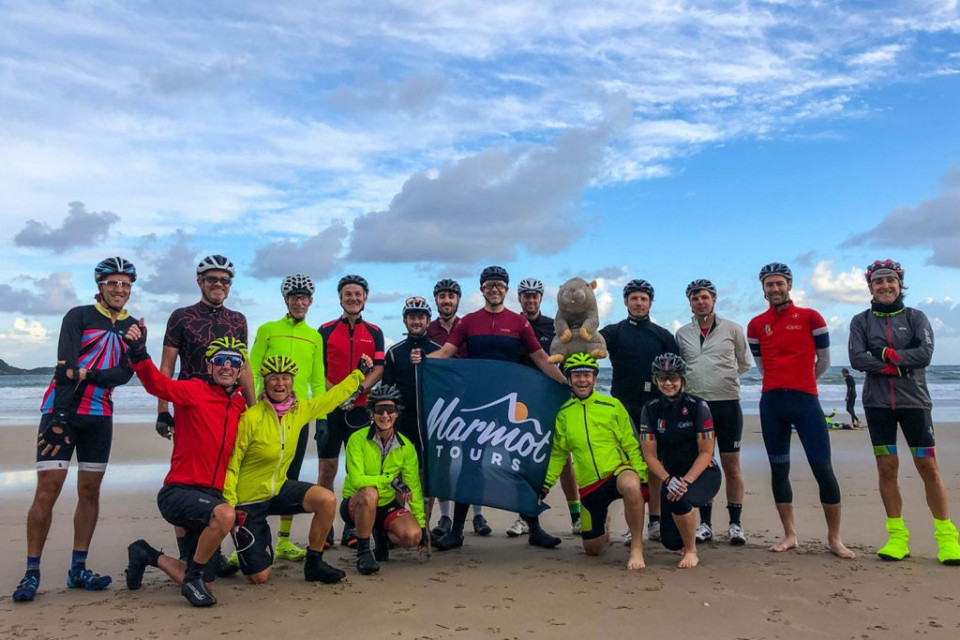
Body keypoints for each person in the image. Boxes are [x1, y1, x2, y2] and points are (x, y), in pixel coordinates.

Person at [12, 257, 139, 603]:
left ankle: (77, 569)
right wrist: (61, 413)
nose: (120, 290)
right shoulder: (79, 316)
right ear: (100, 286)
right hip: (61, 410)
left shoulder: (134, 327)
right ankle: (31, 572)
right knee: (48, 490)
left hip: (100, 415)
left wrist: (88, 374)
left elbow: (125, 375)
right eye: (113, 283)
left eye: (126, 284)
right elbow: (65, 367)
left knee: (90, 491)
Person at [421, 265, 566, 551]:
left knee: (519, 465)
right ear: (482, 289)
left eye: (499, 285)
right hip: (475, 406)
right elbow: (447, 353)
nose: (494, 289)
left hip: (510, 406)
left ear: (506, 289)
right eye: (489, 285)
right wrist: (422, 362)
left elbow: (539, 357)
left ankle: (535, 528)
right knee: (469, 465)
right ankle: (456, 533)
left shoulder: (518, 323)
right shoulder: (469, 322)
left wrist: (564, 384)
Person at [216, 354, 370, 584]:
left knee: (326, 499)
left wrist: (357, 375)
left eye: (285, 378)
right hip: (248, 500)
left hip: (278, 488)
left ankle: (314, 563)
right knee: (259, 577)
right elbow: (232, 463)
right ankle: (259, 542)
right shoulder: (251, 418)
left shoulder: (299, 411)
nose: (280, 383)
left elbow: (331, 398)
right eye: (274, 378)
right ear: (265, 382)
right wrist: (230, 502)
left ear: (292, 382)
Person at [122, 334, 248, 607]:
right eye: (220, 361)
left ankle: (145, 554)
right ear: (210, 366)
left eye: (234, 362)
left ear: (240, 369)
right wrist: (139, 353)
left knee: (209, 581)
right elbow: (157, 384)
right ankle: (192, 579)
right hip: (179, 492)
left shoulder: (239, 405)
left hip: (210, 497)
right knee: (225, 514)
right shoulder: (193, 390)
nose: (227, 366)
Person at [848, 259, 960, 565]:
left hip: (915, 403)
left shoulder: (916, 317)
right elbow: (857, 358)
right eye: (878, 282)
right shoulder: (860, 321)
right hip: (877, 405)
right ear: (870, 286)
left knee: (928, 468)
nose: (885, 286)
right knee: (887, 469)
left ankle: (947, 538)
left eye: (890, 281)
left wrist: (886, 354)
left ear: (900, 284)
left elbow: (924, 354)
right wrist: (897, 365)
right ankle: (897, 537)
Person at [747, 262, 854, 559]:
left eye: (780, 283)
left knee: (823, 468)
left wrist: (803, 382)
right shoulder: (756, 325)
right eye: (769, 284)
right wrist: (781, 383)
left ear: (790, 285)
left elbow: (824, 361)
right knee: (779, 470)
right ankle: (790, 535)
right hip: (772, 404)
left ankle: (834, 538)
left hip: (806, 402)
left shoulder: (811, 317)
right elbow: (761, 366)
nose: (775, 288)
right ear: (763, 289)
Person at [158, 254, 253, 575]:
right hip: (190, 407)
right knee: (188, 477)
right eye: (212, 279)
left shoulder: (238, 320)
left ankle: (211, 551)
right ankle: (189, 553)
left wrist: (253, 410)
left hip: (227, 407)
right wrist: (163, 411)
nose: (218, 285)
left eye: (225, 280)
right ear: (200, 282)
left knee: (220, 475)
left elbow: (245, 367)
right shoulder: (182, 317)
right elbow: (168, 366)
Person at [542, 353, 649, 570]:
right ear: (569, 379)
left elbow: (631, 444)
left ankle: (636, 547)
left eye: (587, 375)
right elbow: (558, 454)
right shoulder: (564, 414)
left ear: (595, 378)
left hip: (617, 471)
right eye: (577, 375)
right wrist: (545, 484)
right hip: (590, 485)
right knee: (593, 549)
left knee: (630, 485)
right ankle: (604, 524)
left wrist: (643, 478)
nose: (582, 380)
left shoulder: (612, 405)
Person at [245, 274, 325, 561]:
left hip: (296, 418)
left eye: (304, 298)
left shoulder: (314, 336)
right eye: (294, 297)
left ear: (311, 301)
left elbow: (318, 381)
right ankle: (251, 538)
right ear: (286, 300)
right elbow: (252, 370)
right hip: (264, 415)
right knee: (256, 477)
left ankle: (283, 542)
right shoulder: (268, 329)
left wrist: (323, 419)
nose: (299, 302)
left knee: (289, 477)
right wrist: (251, 407)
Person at [600, 278, 679, 542]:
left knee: (654, 464)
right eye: (633, 298)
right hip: (621, 407)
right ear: (625, 302)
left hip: (655, 408)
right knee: (627, 467)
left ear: (650, 303)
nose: (638, 303)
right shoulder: (613, 332)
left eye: (643, 299)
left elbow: (676, 376)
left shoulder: (663, 336)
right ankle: (631, 522)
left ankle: (655, 522)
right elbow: (591, 347)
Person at [674, 279, 751, 545]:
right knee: (702, 465)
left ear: (714, 299)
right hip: (696, 406)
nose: (700, 302)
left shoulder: (733, 329)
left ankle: (735, 524)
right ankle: (705, 524)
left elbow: (743, 363)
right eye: (695, 298)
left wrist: (721, 379)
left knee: (731, 465)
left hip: (727, 403)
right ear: (690, 303)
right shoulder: (682, 333)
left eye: (705, 297)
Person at [317, 274, 386, 549]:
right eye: (348, 294)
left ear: (365, 298)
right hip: (331, 410)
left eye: (358, 294)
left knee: (356, 470)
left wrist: (357, 392)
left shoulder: (375, 332)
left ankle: (351, 528)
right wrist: (337, 394)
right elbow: (317, 370)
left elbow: (379, 368)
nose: (353, 298)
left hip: (359, 410)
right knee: (327, 469)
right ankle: (323, 529)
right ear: (340, 298)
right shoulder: (324, 330)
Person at [638, 354, 722, 569]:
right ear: (656, 380)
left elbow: (706, 452)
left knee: (680, 500)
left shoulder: (698, 406)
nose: (668, 383)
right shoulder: (650, 409)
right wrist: (668, 480)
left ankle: (692, 550)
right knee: (671, 542)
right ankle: (684, 535)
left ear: (682, 379)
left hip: (703, 473)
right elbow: (649, 456)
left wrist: (685, 482)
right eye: (663, 378)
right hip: (672, 475)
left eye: (673, 377)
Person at [515, 277, 582, 537]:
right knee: (521, 459)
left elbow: (570, 359)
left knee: (563, 459)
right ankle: (523, 516)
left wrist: (572, 386)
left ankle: (575, 516)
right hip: (520, 402)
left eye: (535, 296)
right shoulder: (514, 324)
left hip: (551, 400)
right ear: (519, 298)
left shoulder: (553, 328)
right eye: (526, 295)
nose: (530, 300)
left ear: (541, 299)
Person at [340, 385, 428, 575]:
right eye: (380, 410)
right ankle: (363, 552)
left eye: (391, 410)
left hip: (387, 504)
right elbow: (356, 480)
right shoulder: (357, 439)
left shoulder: (406, 446)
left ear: (397, 413)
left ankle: (381, 536)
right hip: (356, 503)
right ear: (372, 412)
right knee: (370, 492)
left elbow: (414, 487)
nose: (385, 415)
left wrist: (422, 525)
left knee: (412, 535)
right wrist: (389, 479)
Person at [424, 279, 488, 537]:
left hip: (472, 402)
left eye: (451, 296)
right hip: (442, 405)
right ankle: (445, 517)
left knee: (474, 460)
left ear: (458, 299)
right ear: (436, 300)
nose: (447, 300)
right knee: (443, 461)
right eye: (442, 296)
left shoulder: (469, 326)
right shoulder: (428, 330)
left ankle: (478, 515)